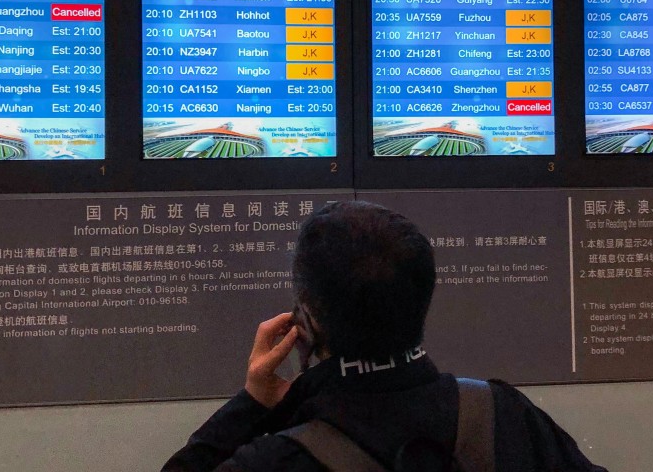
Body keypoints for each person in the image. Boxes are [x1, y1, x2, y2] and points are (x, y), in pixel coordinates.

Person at [162, 201, 607, 472]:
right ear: (424, 294)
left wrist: (252, 405)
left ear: (308, 318)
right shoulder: (503, 416)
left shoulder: (275, 460)